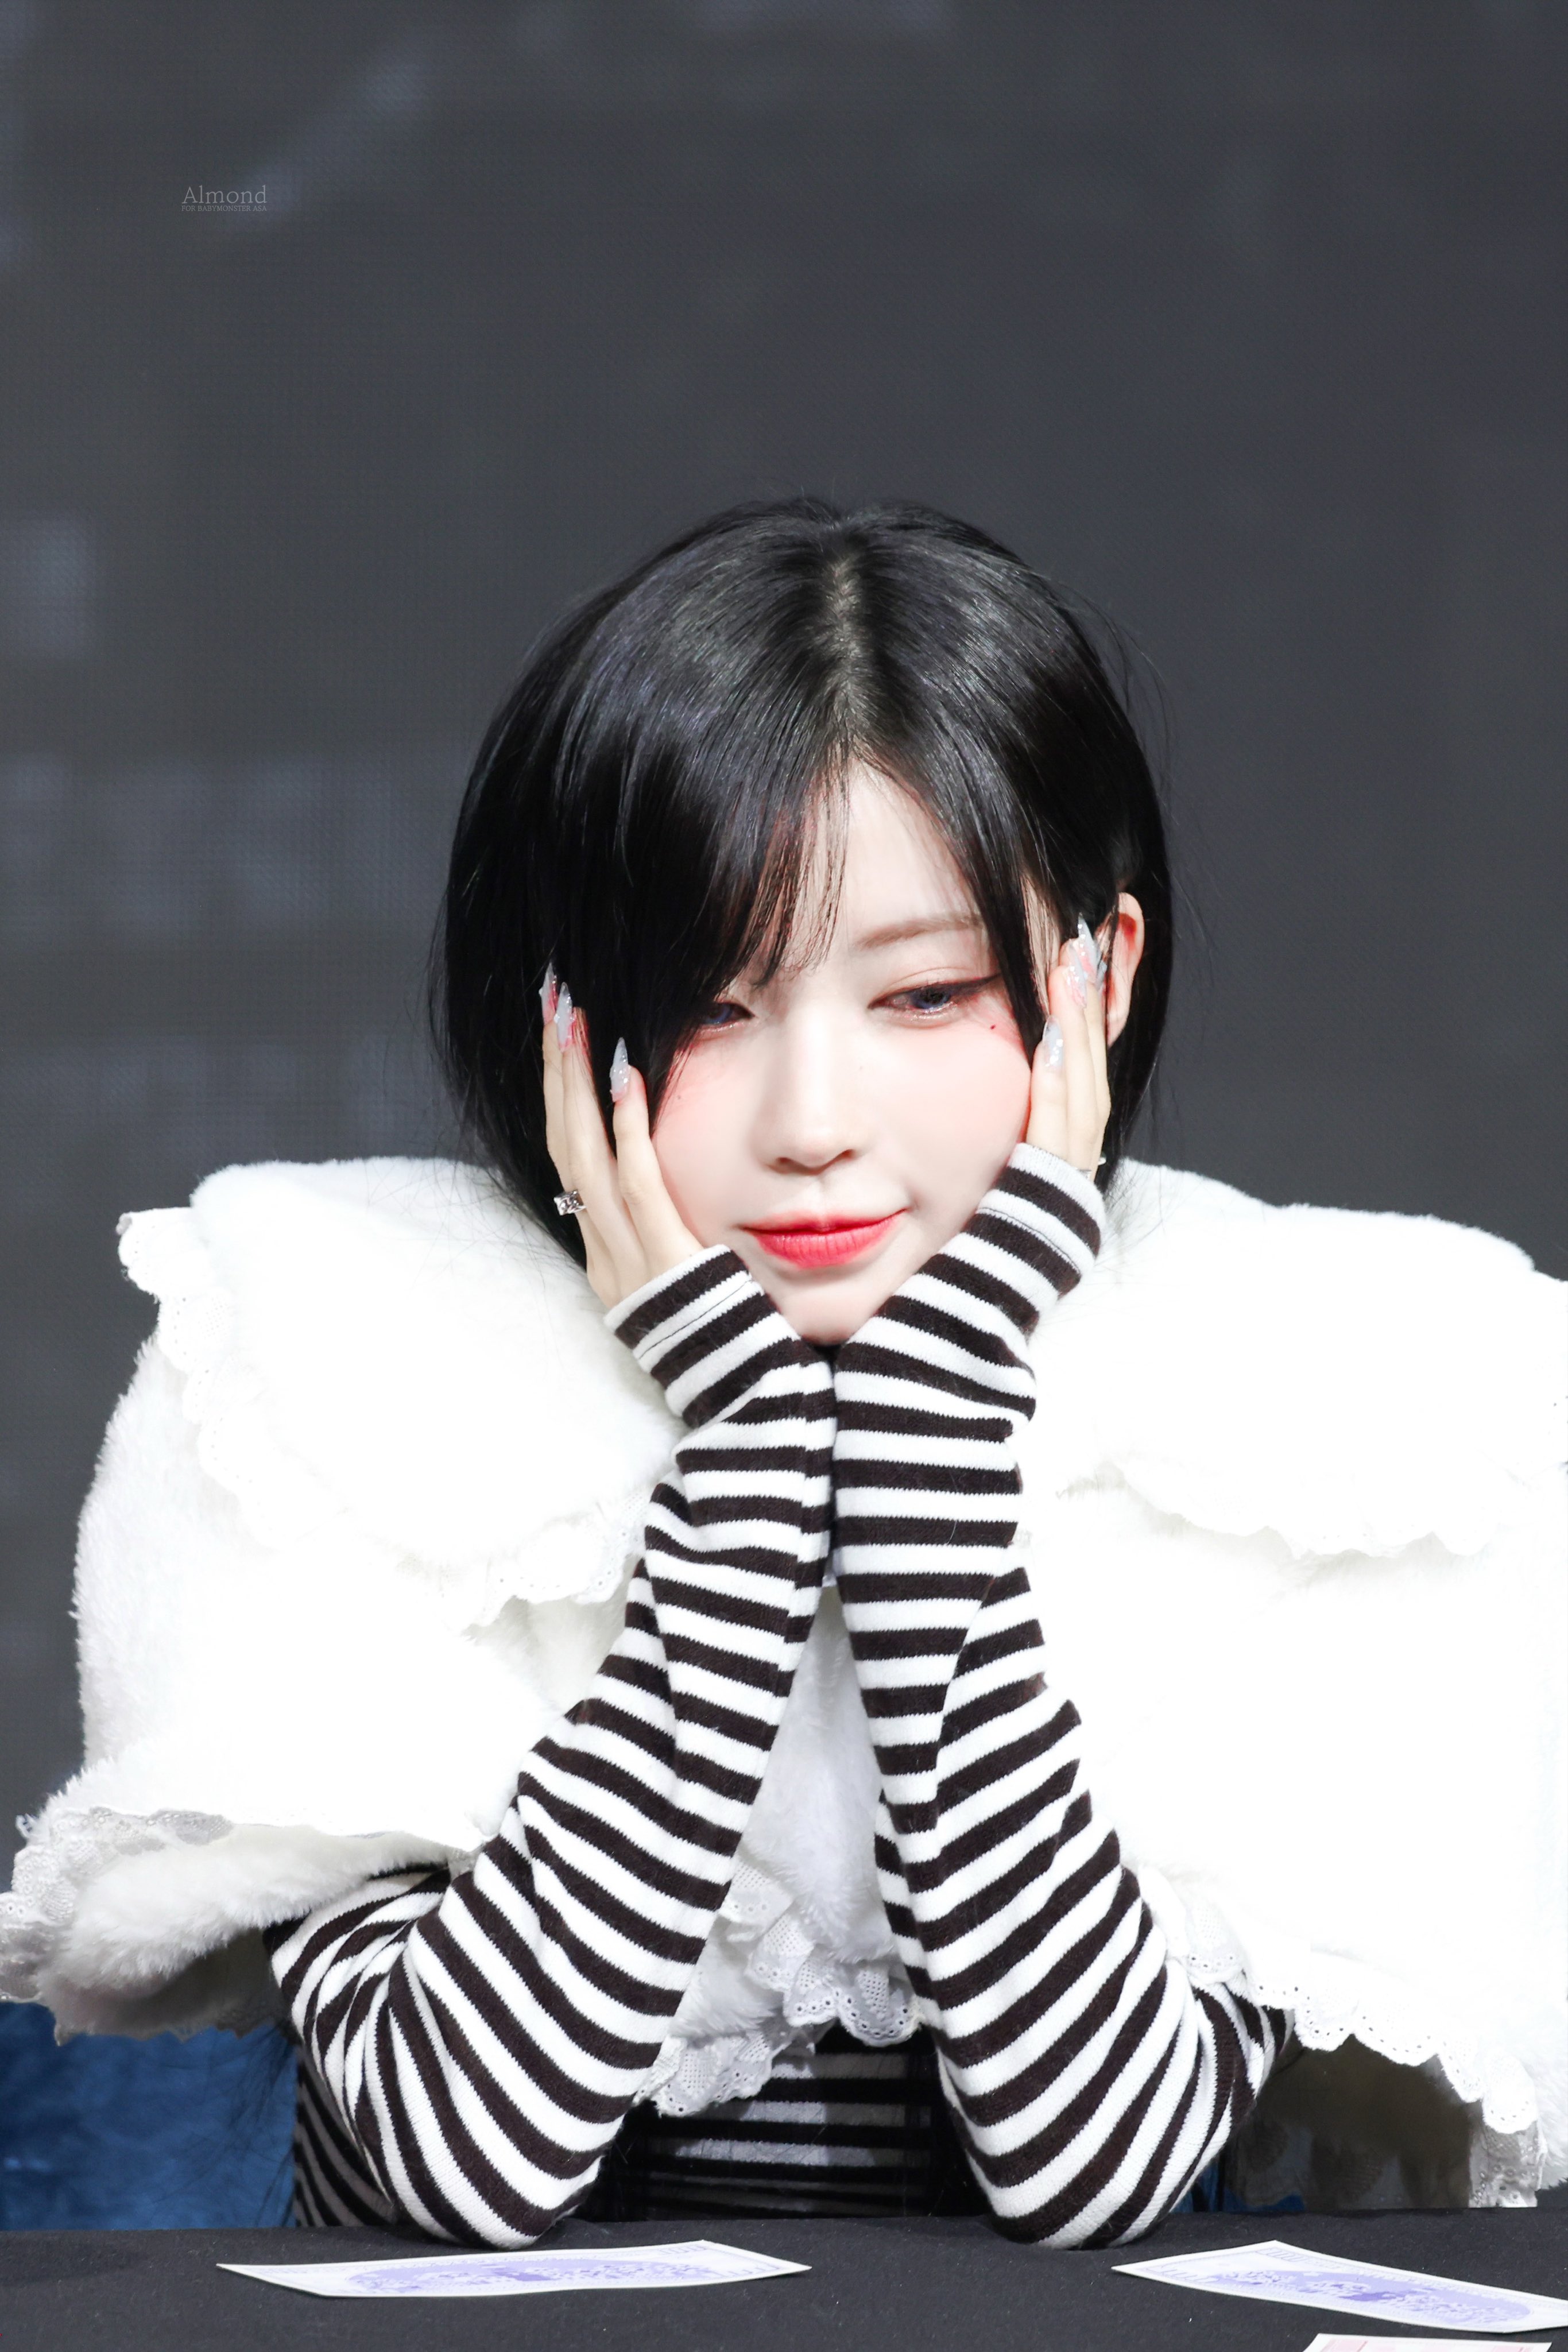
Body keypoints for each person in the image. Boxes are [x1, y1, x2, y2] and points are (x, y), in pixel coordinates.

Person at [1, 502, 1562, 2243]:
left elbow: (1096, 2170)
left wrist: (924, 1434)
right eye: (709, 1007)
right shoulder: (343, 1356)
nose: (813, 1124)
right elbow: (454, 2165)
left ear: (1098, 982)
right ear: (557, 1015)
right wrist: (748, 1461)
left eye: (925, 997)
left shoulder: (1324, 1391)